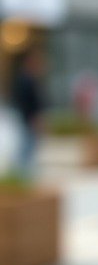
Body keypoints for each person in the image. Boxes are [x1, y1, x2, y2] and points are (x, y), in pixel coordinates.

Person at [11, 48, 46, 178]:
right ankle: (20, 174)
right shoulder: (26, 80)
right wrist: (33, 117)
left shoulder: (29, 79)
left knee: (28, 146)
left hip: (28, 117)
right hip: (29, 118)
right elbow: (27, 102)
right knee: (27, 146)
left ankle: (22, 174)